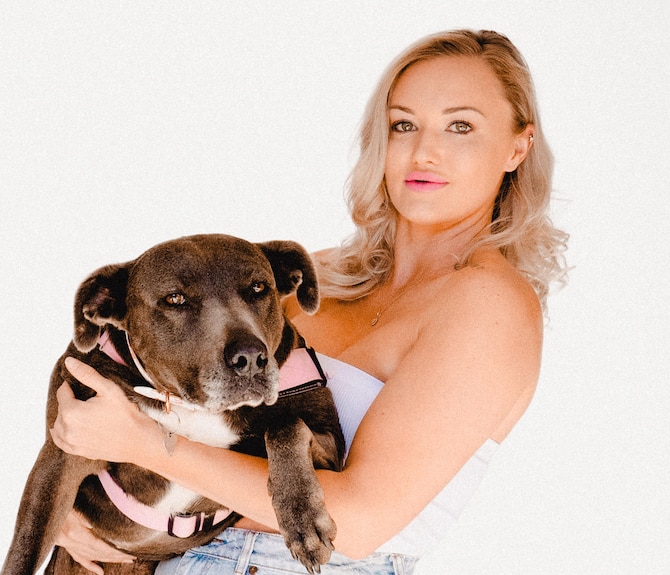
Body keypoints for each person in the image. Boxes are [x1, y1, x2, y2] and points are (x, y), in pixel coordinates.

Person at [48, 29, 568, 575]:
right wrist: (73, 505)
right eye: (403, 125)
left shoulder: (489, 304)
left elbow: (361, 522)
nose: (424, 151)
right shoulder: (323, 276)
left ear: (517, 146)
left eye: (460, 126)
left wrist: (145, 453)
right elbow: (140, 383)